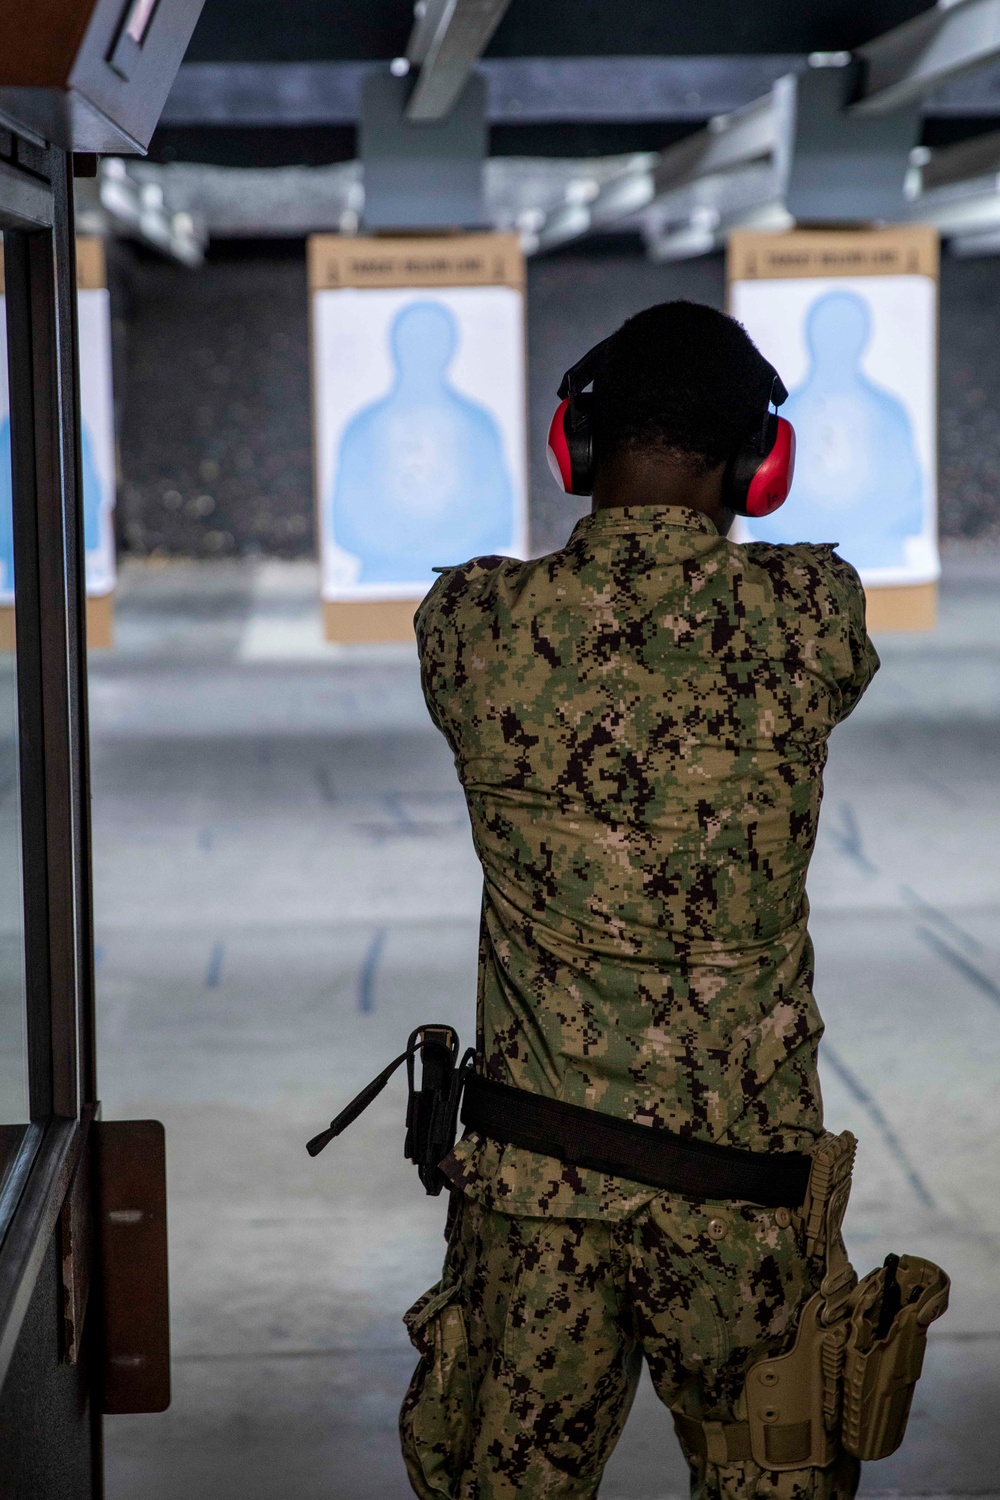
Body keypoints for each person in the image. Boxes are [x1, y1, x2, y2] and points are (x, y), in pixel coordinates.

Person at [405, 300, 880, 1500]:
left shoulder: (473, 624)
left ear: (574, 444)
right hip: (743, 1210)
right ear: (754, 468)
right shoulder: (808, 614)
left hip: (533, 1200)